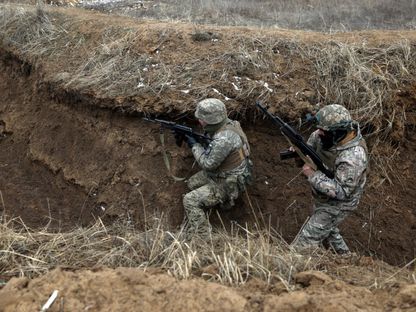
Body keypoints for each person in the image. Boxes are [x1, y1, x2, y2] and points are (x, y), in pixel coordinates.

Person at [292, 104, 368, 254]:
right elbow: (309, 152)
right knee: (328, 231)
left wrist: (313, 175)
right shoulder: (324, 136)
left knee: (301, 247)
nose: (318, 133)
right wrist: (299, 153)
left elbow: (341, 192)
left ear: (338, 132)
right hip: (323, 195)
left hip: (340, 203)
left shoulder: (354, 157)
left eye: (324, 131)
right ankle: (346, 259)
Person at [181, 98, 252, 239]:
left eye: (201, 119)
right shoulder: (231, 124)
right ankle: (203, 214)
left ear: (211, 120)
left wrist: (194, 144)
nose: (199, 121)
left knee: (189, 200)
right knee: (191, 183)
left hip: (228, 183)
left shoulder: (223, 139)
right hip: (227, 173)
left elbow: (207, 164)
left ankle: (202, 237)